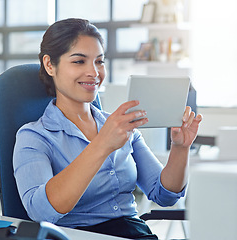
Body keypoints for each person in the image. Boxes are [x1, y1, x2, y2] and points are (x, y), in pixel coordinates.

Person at [13, 18, 202, 239]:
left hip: (133, 232)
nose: (94, 72)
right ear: (49, 65)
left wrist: (180, 147)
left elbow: (165, 195)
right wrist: (102, 144)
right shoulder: (34, 136)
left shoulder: (120, 126)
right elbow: (40, 212)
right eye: (79, 61)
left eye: (99, 62)